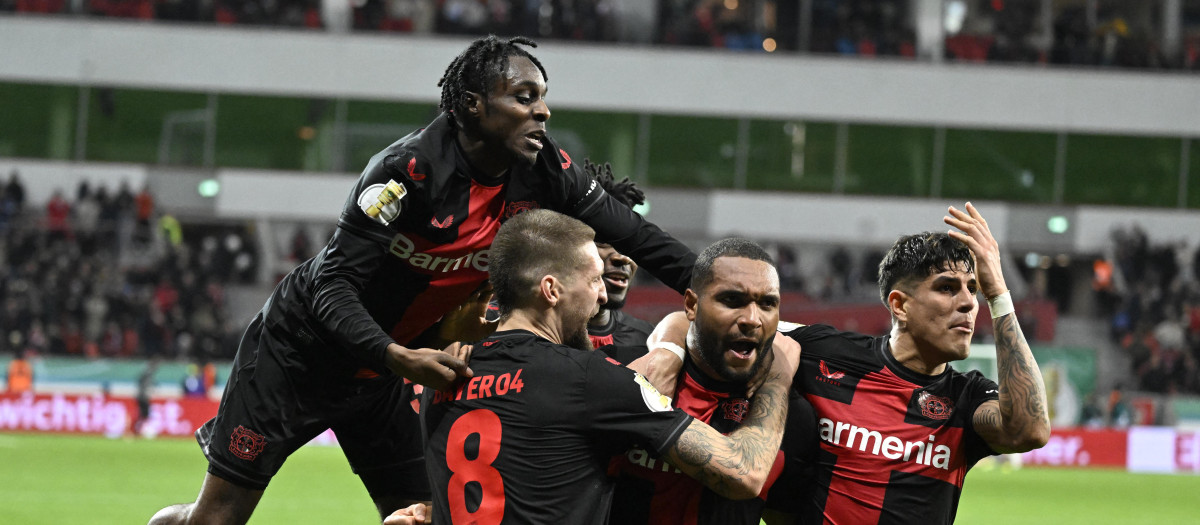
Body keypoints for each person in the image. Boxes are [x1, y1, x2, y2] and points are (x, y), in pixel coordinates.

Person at [150, 35, 696, 525]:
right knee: (217, 521)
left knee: (426, 517)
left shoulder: (544, 168)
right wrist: (395, 355)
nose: (543, 111)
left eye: (542, 96)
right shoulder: (406, 172)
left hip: (382, 377)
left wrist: (708, 287)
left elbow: (637, 235)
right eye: (524, 98)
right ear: (473, 105)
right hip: (299, 355)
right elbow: (330, 286)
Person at [649, 203, 1050, 524]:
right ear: (900, 305)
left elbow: (1029, 431)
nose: (967, 303)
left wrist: (999, 293)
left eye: (974, 291)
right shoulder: (824, 351)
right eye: (947, 288)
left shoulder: (965, 398)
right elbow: (694, 320)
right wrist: (669, 352)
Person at [412, 210, 797, 525]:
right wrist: (777, 380)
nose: (602, 293)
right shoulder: (588, 378)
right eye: (594, 278)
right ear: (551, 290)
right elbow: (743, 471)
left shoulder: (444, 377)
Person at [607, 237, 818, 525]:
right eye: (732, 300)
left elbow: (781, 515)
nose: (752, 319)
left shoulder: (794, 416)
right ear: (691, 305)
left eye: (768, 304)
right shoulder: (631, 374)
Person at [581, 159, 657, 364]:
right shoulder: (531, 336)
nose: (623, 257)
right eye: (604, 242)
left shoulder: (651, 343)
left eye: (630, 246)